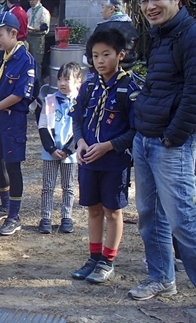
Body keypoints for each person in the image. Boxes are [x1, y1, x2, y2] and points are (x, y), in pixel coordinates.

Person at [128, 0, 196, 300]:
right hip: (145, 140)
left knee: (182, 221)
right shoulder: (159, 35)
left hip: (171, 144)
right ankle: (161, 278)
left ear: (177, 1)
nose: (149, 6)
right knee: (149, 215)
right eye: (143, 1)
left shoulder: (192, 34)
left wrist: (173, 137)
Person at [69, 29, 139, 284]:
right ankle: (93, 257)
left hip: (114, 163)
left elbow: (135, 131)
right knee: (93, 210)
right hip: (89, 161)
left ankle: (108, 261)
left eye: (106, 55)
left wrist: (109, 146)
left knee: (113, 211)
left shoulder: (130, 88)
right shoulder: (88, 86)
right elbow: (77, 119)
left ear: (120, 55)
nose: (99, 61)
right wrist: (80, 142)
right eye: (95, 55)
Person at [0, 12, 36, 236]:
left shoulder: (25, 59)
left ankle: (15, 215)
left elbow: (20, 94)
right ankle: (4, 204)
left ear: (14, 33)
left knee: (12, 164)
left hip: (13, 119)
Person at [37, 62, 83, 234]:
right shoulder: (49, 101)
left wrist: (68, 150)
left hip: (70, 154)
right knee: (48, 186)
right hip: (51, 152)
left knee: (68, 186)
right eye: (60, 79)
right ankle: (46, 218)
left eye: (67, 79)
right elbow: (42, 126)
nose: (62, 83)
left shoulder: (80, 102)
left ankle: (66, 217)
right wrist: (51, 148)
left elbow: (81, 128)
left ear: (78, 81)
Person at [88, 0, 139, 72]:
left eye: (103, 7)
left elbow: (90, 52)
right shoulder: (131, 27)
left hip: (105, 74)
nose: (101, 11)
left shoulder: (102, 28)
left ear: (111, 9)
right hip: (127, 72)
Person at [26, 0, 51, 78]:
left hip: (38, 38)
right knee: (27, 60)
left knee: (37, 62)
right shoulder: (29, 11)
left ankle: (38, 83)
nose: (31, 2)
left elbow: (44, 27)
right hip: (28, 36)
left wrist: (32, 28)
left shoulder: (44, 11)